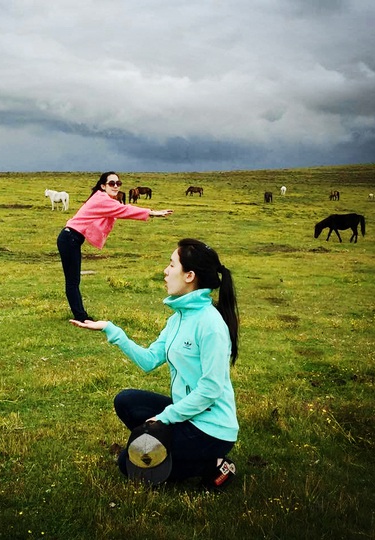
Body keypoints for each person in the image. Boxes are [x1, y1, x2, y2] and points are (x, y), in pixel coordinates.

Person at [70, 238, 239, 487]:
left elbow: (211, 389)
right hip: (186, 414)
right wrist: (112, 330)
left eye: (172, 265)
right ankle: (174, 452)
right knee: (126, 401)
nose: (165, 271)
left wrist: (166, 417)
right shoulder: (178, 319)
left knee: (127, 465)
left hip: (211, 429)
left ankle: (216, 465)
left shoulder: (210, 325)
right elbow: (149, 360)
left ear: (190, 275)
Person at [57, 172, 172, 322]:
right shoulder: (102, 199)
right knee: (73, 281)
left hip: (71, 238)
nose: (116, 186)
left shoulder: (100, 197)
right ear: (103, 186)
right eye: (112, 183)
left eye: (118, 183)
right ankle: (81, 317)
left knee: (73, 280)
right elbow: (125, 210)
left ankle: (80, 315)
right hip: (69, 239)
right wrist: (152, 213)